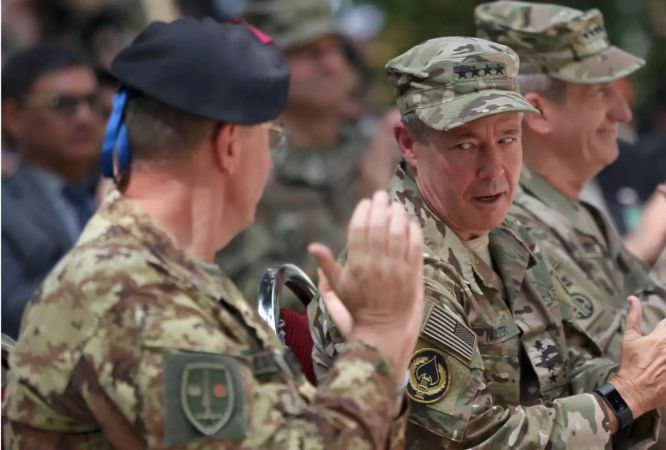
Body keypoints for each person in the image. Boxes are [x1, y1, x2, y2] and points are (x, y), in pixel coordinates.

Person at [311, 35, 666, 448]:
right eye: (465, 146)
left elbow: (558, 369)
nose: (494, 169)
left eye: (507, 138)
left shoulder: (500, 230)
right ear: (409, 144)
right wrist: (626, 397)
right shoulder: (403, 270)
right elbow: (478, 438)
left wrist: (657, 373)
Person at [3, 17, 425, 448]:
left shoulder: (162, 272)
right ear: (229, 146)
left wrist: (365, 359)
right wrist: (378, 338)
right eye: (270, 138)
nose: (268, 162)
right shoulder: (133, 293)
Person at [474, 2, 666, 449]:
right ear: (538, 113)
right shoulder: (512, 228)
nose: (623, 112)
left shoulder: (577, 214)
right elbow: (631, 385)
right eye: (601, 93)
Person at [217, 0, 399, 303]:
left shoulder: (380, 146)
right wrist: (369, 210)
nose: (333, 65)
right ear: (265, 69)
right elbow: (258, 305)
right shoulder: (244, 174)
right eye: (309, 53)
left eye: (335, 50)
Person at [1, 44, 104, 339]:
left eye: (92, 101)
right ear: (13, 117)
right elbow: (11, 314)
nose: (84, 118)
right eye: (64, 104)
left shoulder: (124, 190)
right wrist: (108, 249)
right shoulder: (5, 208)